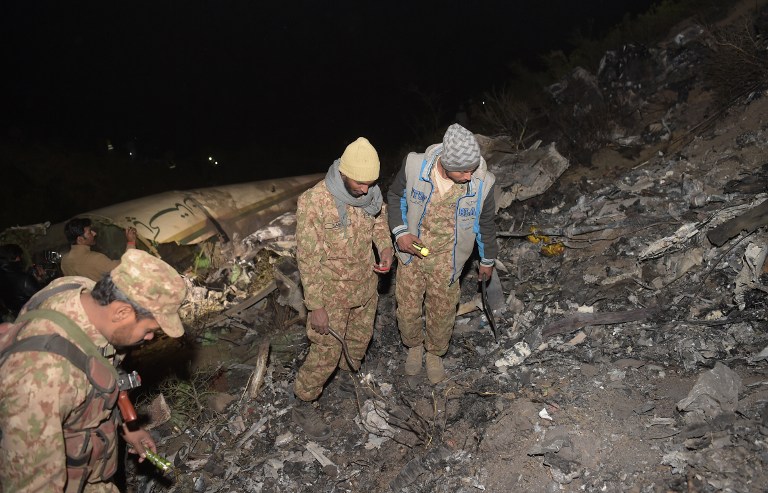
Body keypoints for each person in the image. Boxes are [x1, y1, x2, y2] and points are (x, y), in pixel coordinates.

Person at [0, 249, 187, 492]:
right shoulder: (41, 379)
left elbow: (103, 367)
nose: (150, 337)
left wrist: (128, 428)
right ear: (121, 312)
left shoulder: (79, 290)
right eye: (149, 329)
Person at [293, 137, 393, 440]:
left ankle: (349, 380)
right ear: (344, 172)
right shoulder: (313, 201)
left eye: (371, 183)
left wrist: (386, 252)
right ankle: (304, 401)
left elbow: (379, 226)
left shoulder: (371, 195)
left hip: (364, 287)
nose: (366, 189)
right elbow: (308, 258)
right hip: (330, 295)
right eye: (360, 183)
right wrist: (316, 306)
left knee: (359, 342)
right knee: (326, 352)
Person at [387, 123, 498, 384]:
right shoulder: (414, 166)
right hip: (412, 253)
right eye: (463, 170)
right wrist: (400, 232)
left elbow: (485, 223)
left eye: (473, 168)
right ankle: (414, 347)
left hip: (448, 260)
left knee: (443, 312)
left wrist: (487, 259)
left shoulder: (483, 182)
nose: (470, 175)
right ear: (445, 164)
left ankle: (435, 353)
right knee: (407, 309)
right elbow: (395, 197)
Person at [60, 218, 138, 282]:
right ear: (80, 240)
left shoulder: (64, 261)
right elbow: (124, 267)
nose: (94, 233)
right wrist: (131, 242)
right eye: (89, 232)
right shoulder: (96, 259)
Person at [0, 243, 42, 319]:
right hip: (33, 316)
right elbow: (42, 298)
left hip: (17, 317)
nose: (20, 259)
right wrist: (38, 280)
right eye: (19, 256)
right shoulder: (25, 280)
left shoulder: (3, 276)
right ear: (14, 258)